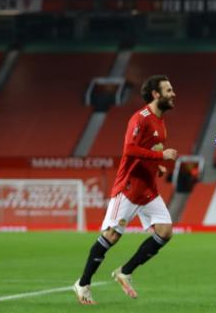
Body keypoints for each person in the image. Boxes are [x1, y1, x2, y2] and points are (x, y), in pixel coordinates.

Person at [73, 75, 178, 304]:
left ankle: (125, 271)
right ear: (156, 94)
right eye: (169, 90)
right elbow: (129, 149)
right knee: (111, 236)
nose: (173, 94)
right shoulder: (140, 118)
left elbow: (144, 152)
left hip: (148, 189)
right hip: (129, 188)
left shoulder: (161, 122)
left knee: (165, 231)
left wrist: (156, 165)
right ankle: (82, 284)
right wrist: (162, 155)